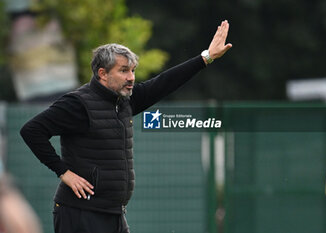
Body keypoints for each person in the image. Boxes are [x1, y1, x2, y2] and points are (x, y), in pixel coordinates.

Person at [20, 20, 232, 233]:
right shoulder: (77, 104)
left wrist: (207, 57)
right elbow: (31, 130)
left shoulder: (125, 101)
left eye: (132, 70)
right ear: (103, 73)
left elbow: (165, 82)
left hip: (114, 213)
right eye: (123, 71)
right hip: (80, 213)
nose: (131, 78)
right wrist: (63, 172)